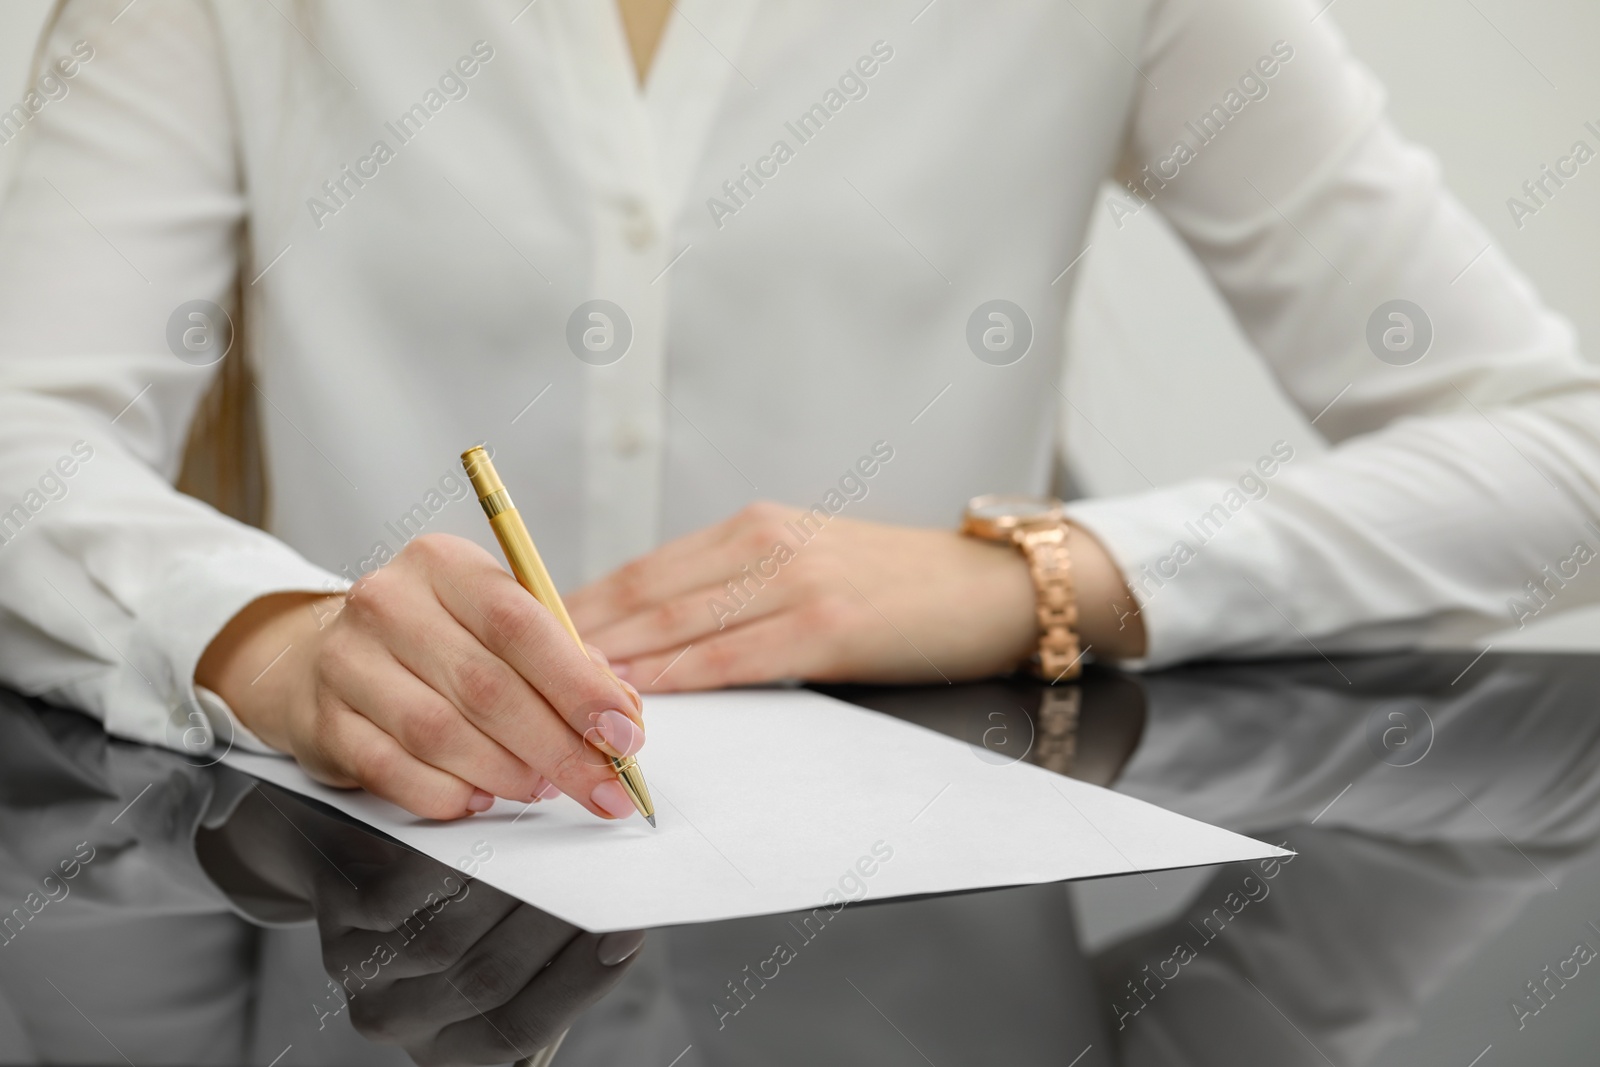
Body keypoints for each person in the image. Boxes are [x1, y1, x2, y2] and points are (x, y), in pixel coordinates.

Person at [1, 0, 1596, 822]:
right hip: (385, 922)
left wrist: (1035, 576)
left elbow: (1562, 458)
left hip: (923, 941)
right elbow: (23, 435)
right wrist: (275, 643)